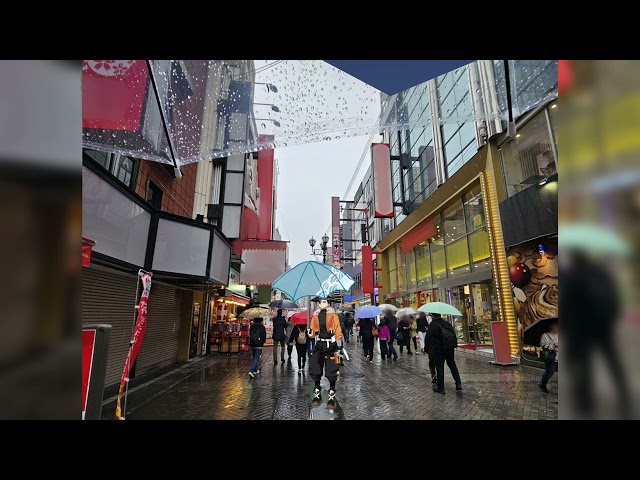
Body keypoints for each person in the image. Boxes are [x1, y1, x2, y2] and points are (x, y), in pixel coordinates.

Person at [309, 299, 343, 407]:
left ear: (328, 303)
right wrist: (310, 332)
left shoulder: (333, 315)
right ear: (318, 304)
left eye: (324, 302)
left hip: (331, 345)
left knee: (332, 368)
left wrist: (339, 342)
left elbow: (337, 329)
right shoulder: (315, 316)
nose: (322, 304)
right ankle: (317, 394)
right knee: (315, 366)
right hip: (319, 344)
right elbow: (312, 331)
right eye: (321, 302)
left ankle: (331, 396)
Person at [428, 313, 462, 394]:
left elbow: (429, 338)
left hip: (439, 349)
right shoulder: (447, 323)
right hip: (449, 348)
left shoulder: (432, 325)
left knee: (439, 367)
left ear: (433, 316)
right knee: (452, 365)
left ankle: (441, 387)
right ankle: (458, 383)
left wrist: (429, 349)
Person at [538, 322, 559, 393]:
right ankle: (542, 384)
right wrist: (553, 346)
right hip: (551, 357)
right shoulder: (545, 335)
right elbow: (543, 346)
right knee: (549, 372)